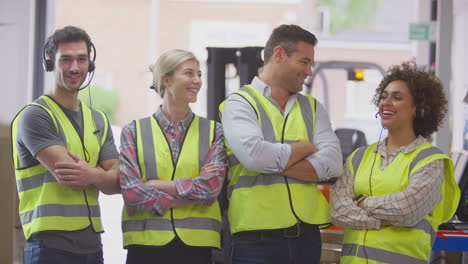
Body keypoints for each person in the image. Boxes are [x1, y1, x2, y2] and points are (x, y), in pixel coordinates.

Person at [220, 24, 343, 264]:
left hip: (306, 237)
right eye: (304, 61)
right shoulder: (240, 103)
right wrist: (305, 149)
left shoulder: (313, 107)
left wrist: (271, 159)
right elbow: (254, 157)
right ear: (278, 54)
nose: (308, 71)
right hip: (256, 240)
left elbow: (334, 164)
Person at [330, 61, 460, 264]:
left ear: (418, 108)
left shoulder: (431, 161)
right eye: (383, 96)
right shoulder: (359, 156)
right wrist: (381, 220)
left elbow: (407, 210)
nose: (386, 102)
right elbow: (337, 209)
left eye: (397, 97)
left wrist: (361, 202)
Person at [11, 26, 120, 264]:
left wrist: (93, 174)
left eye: (82, 59)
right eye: (66, 60)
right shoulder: (36, 116)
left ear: (90, 65)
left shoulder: (98, 119)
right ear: (50, 62)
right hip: (49, 247)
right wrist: (102, 174)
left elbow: (120, 182)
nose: (74, 68)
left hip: (92, 244)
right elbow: (70, 175)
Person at [119, 49, 227, 264]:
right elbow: (131, 192)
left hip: (197, 248)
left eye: (199, 74)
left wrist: (157, 185)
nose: (197, 80)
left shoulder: (214, 131)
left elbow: (210, 189)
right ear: (166, 80)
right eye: (189, 73)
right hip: (145, 246)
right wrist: (187, 196)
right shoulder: (133, 131)